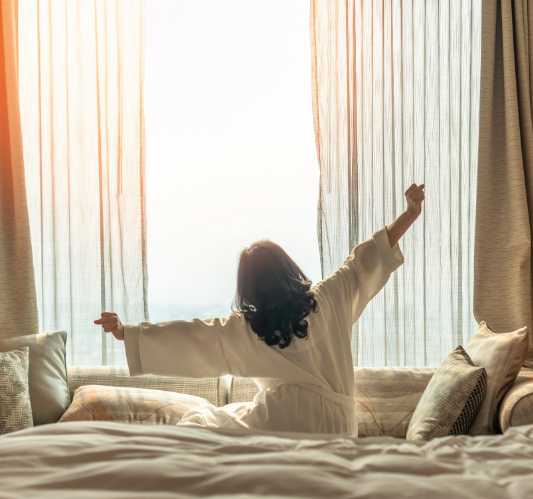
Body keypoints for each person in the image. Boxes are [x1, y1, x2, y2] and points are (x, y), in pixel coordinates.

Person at [95, 184, 425, 435]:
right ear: (288, 268)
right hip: (338, 428)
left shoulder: (247, 328)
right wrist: (409, 214)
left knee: (200, 421)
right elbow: (365, 260)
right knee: (216, 418)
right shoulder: (331, 297)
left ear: (248, 288)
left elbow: (192, 335)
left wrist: (129, 333)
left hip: (282, 423)